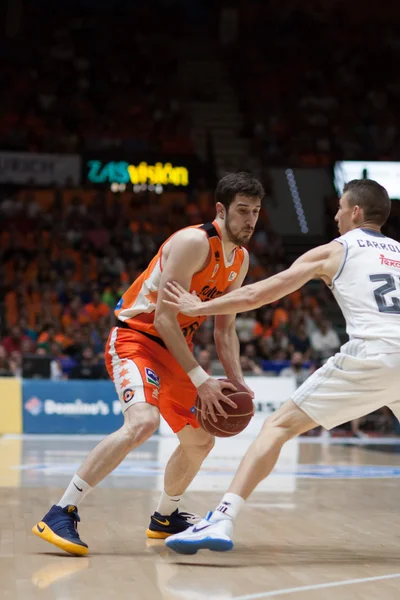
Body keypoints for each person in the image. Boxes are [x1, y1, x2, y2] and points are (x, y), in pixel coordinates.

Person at [32, 172, 264, 555]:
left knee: (200, 440)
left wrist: (238, 383)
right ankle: (60, 511)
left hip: (175, 350)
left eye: (256, 212)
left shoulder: (240, 259)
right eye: (242, 211)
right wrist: (201, 378)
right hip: (136, 338)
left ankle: (164, 518)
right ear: (221, 210)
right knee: (142, 423)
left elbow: (225, 330)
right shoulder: (193, 242)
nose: (250, 220)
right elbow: (162, 319)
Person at [162, 178, 400, 554]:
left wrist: (199, 307)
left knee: (277, 426)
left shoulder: (337, 249)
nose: (336, 215)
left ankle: (221, 518)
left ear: (355, 212)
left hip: (374, 352)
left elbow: (260, 293)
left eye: (340, 207)